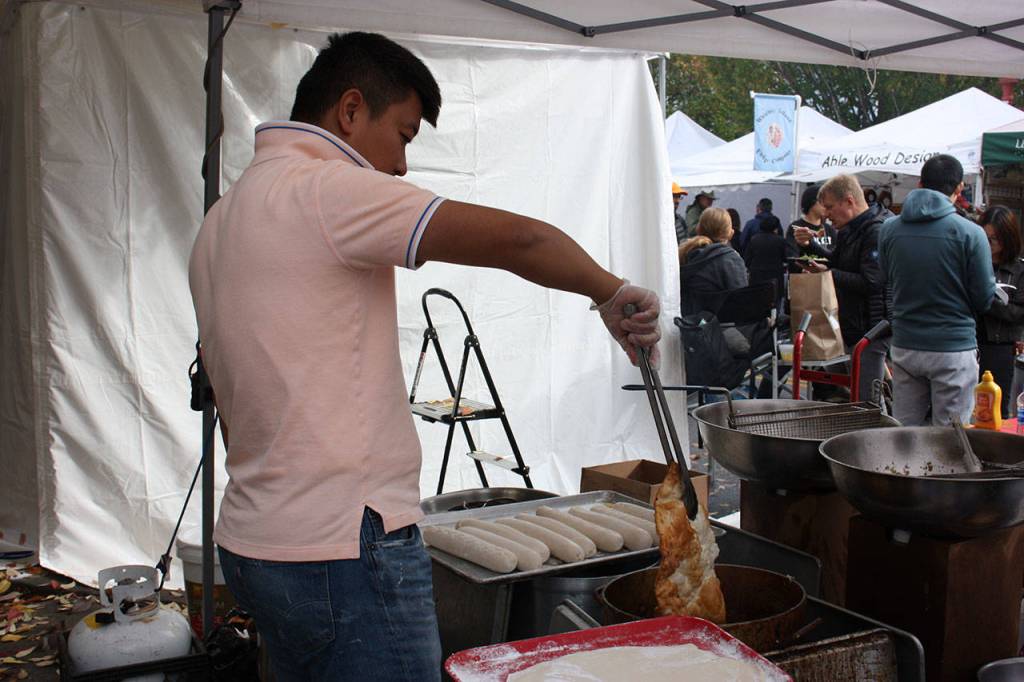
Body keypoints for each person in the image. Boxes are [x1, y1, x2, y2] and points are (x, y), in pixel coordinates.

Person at [188, 32, 661, 681]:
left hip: (254, 541)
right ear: (350, 111)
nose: (403, 165)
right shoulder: (328, 189)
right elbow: (521, 239)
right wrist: (611, 293)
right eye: (404, 135)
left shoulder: (220, 221)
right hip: (342, 547)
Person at [878, 154, 996, 426]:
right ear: (959, 189)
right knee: (950, 438)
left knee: (905, 435)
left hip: (906, 345)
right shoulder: (970, 233)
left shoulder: (889, 229)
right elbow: (983, 298)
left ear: (920, 183)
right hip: (953, 347)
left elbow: (886, 277)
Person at [794, 174, 890, 403]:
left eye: (829, 207)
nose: (825, 214)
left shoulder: (875, 230)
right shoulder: (850, 229)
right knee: (856, 394)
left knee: (867, 399)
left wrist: (827, 274)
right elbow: (838, 262)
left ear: (849, 201)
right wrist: (813, 247)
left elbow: (871, 282)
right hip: (854, 327)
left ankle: (873, 435)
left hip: (872, 328)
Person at [976, 205, 1024, 415]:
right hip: (970, 342)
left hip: (1000, 346)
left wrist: (988, 302)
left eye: (994, 239)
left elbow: (1018, 312)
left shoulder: (1018, 270)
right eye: (985, 237)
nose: (989, 244)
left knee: (995, 408)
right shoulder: (975, 262)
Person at [679, 207, 747, 316]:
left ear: (698, 228)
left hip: (687, 323)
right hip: (719, 327)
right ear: (730, 233)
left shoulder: (684, 254)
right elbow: (741, 300)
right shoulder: (731, 259)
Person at [743, 214, 788, 308]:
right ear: (776, 228)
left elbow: (747, 259)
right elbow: (786, 258)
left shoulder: (754, 239)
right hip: (775, 278)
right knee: (775, 306)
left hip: (757, 278)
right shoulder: (781, 241)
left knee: (757, 305)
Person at [786, 185, 835, 267]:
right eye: (822, 202)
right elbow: (792, 256)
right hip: (805, 276)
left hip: (825, 275)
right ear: (812, 202)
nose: (825, 206)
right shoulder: (796, 227)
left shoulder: (829, 229)